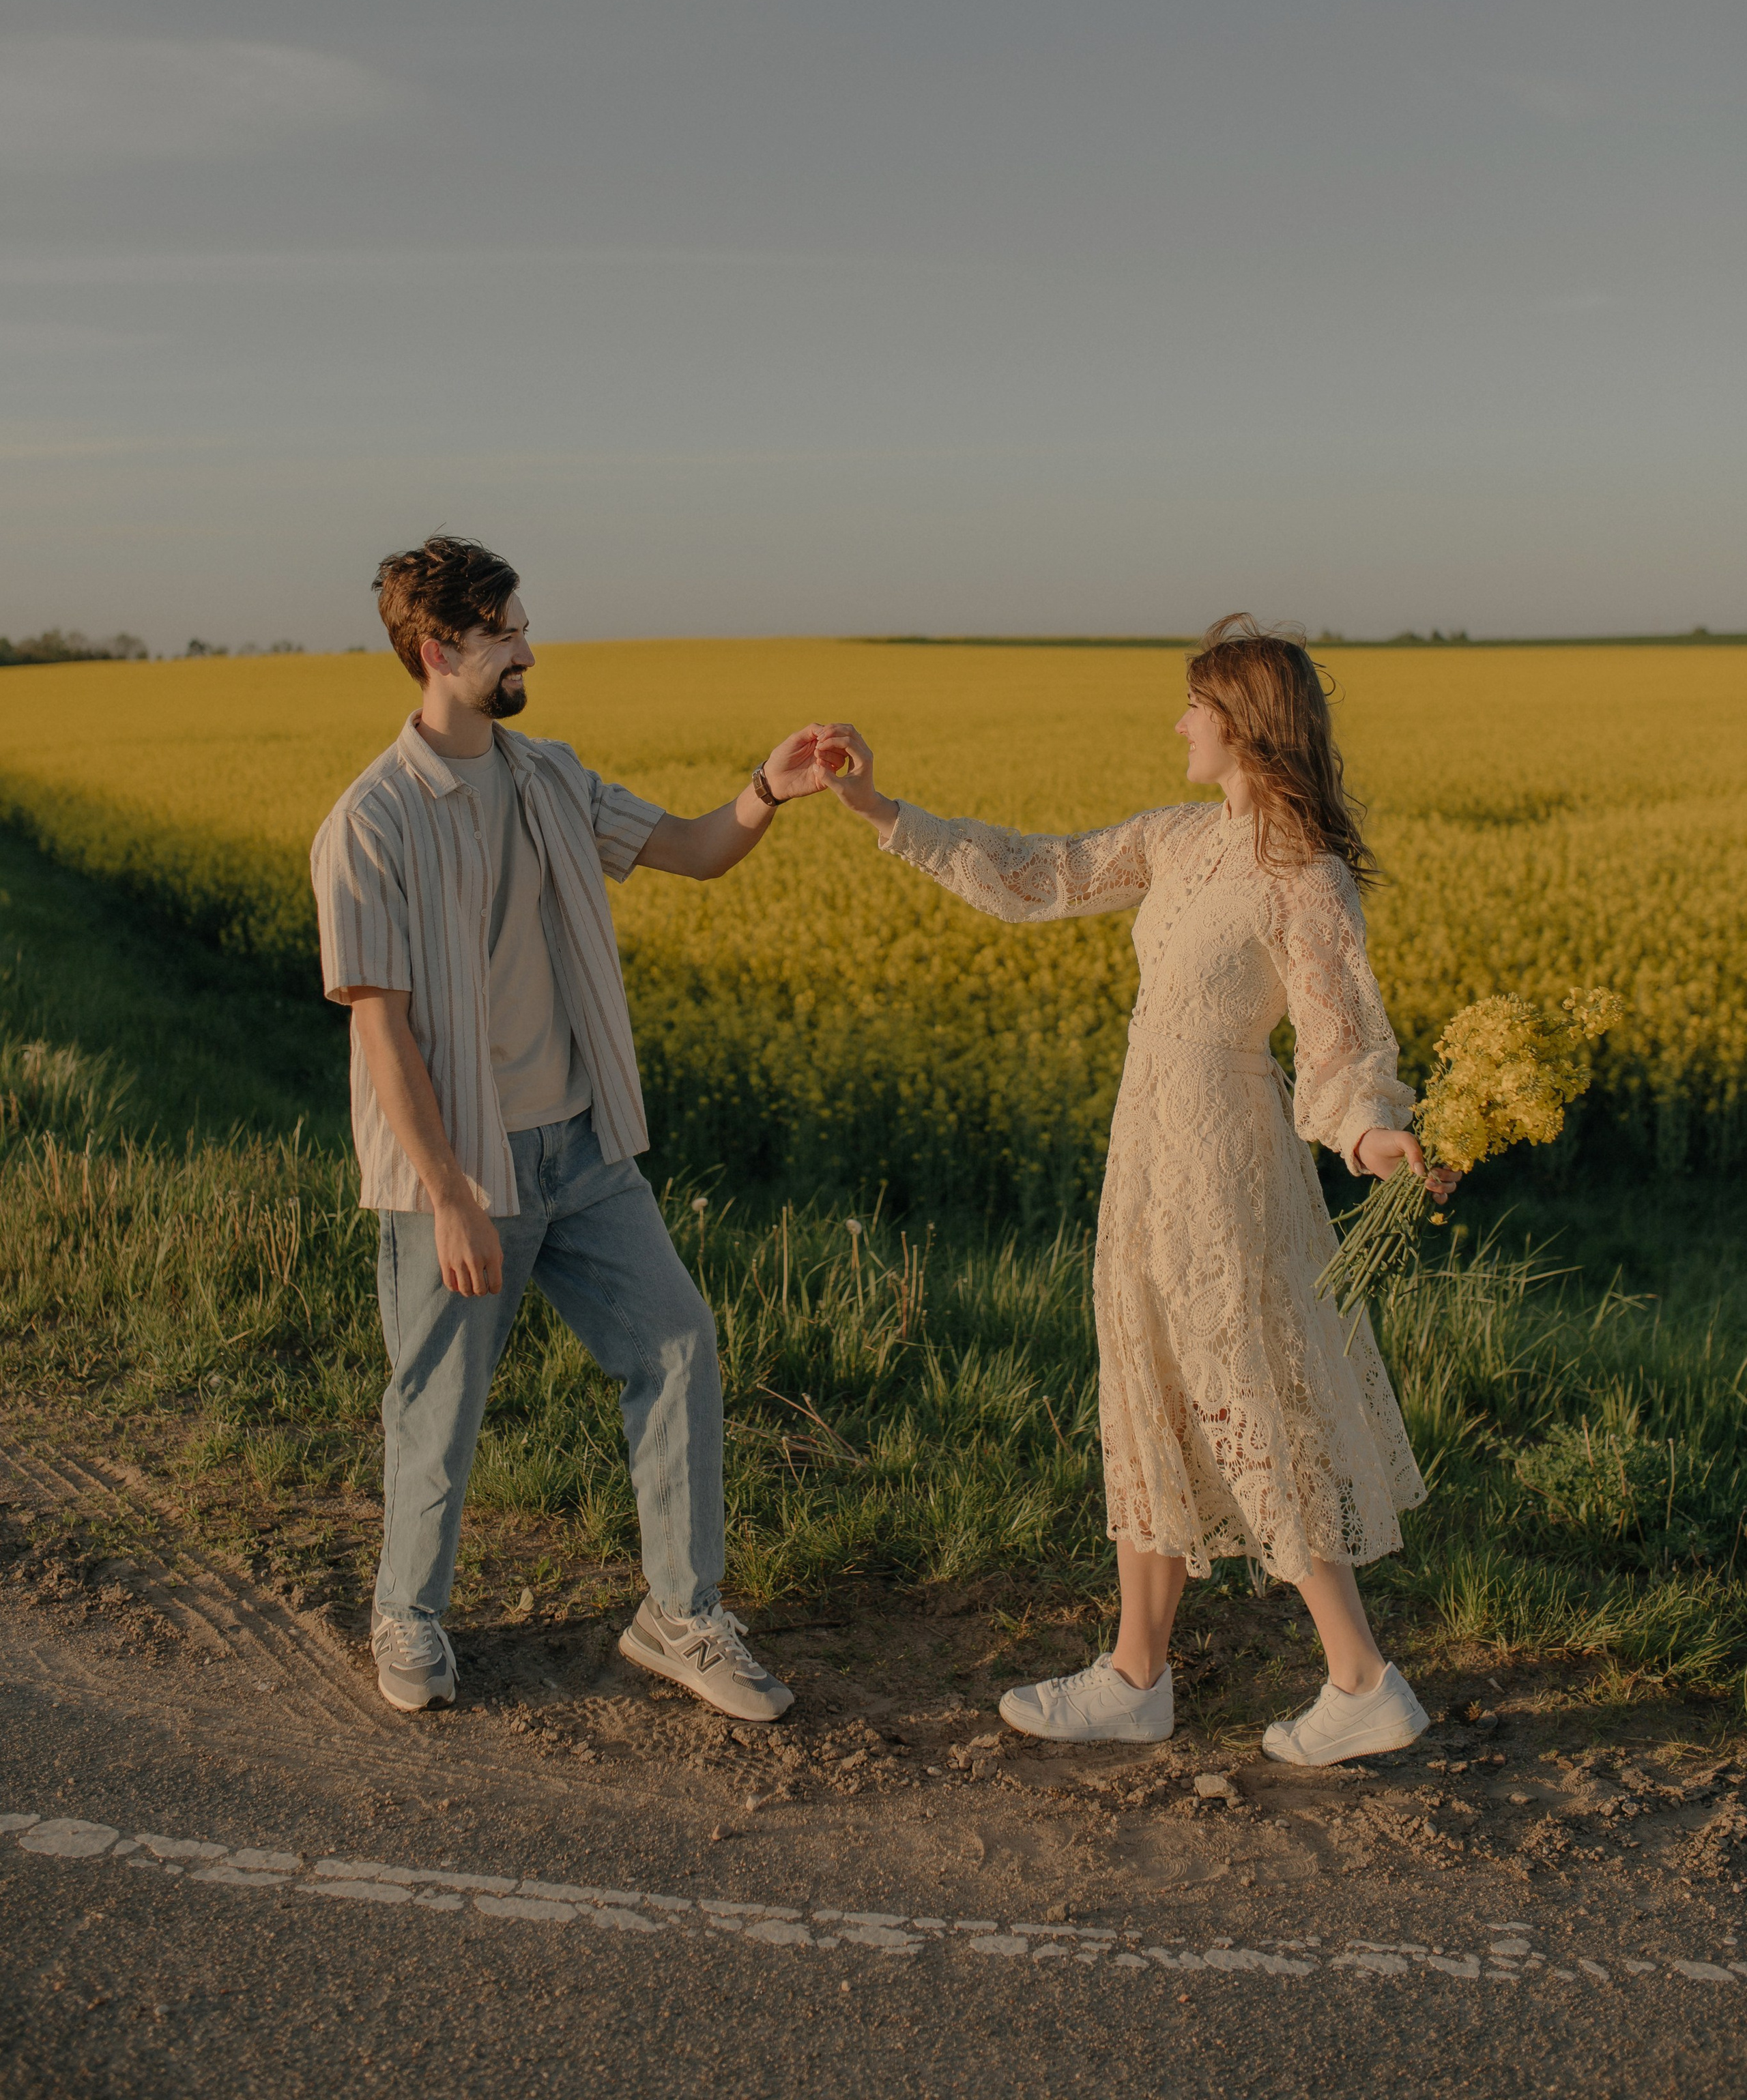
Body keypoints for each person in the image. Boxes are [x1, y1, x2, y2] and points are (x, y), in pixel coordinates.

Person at [811, 615, 1458, 1766]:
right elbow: (1039, 875)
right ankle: (1136, 1674)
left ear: (1246, 725)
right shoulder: (1176, 839)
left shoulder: (1303, 881)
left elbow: (1338, 1050)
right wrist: (878, 813)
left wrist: (1372, 1139)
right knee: (1152, 1389)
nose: (1179, 722)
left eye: (1195, 705)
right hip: (1148, 1155)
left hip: (1225, 1167)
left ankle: (1361, 1680)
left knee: (1244, 1392)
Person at [312, 535, 821, 1723]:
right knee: (438, 1406)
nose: (528, 646)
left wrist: (767, 787)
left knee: (678, 1342)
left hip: (584, 1148)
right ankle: (408, 1612)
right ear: (439, 652)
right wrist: (446, 1194)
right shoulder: (371, 821)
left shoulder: (549, 776)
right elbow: (378, 1033)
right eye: (503, 632)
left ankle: (679, 1615)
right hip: (459, 1166)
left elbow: (694, 851)